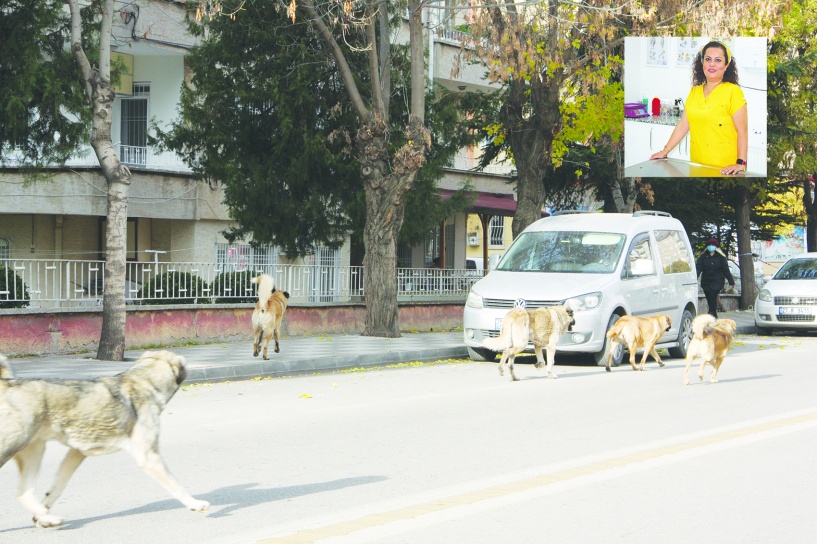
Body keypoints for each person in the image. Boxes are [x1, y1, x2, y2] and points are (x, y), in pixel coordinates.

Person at [649, 40, 748, 176]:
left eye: (718, 60)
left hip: (725, 168)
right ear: (702, 63)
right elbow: (683, 124)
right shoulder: (694, 92)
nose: (712, 64)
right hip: (697, 165)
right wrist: (664, 151)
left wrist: (740, 163)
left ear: (726, 66)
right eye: (708, 59)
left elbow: (742, 130)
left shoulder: (733, 92)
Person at [696, 237, 735, 318]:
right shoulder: (703, 257)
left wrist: (731, 282)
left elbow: (726, 270)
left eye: (713, 245)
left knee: (713, 296)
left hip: (717, 281)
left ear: (716, 247)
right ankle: (713, 313)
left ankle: (711, 313)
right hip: (706, 281)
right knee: (709, 298)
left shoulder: (721, 257)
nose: (711, 247)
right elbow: (698, 268)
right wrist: (695, 278)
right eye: (709, 245)